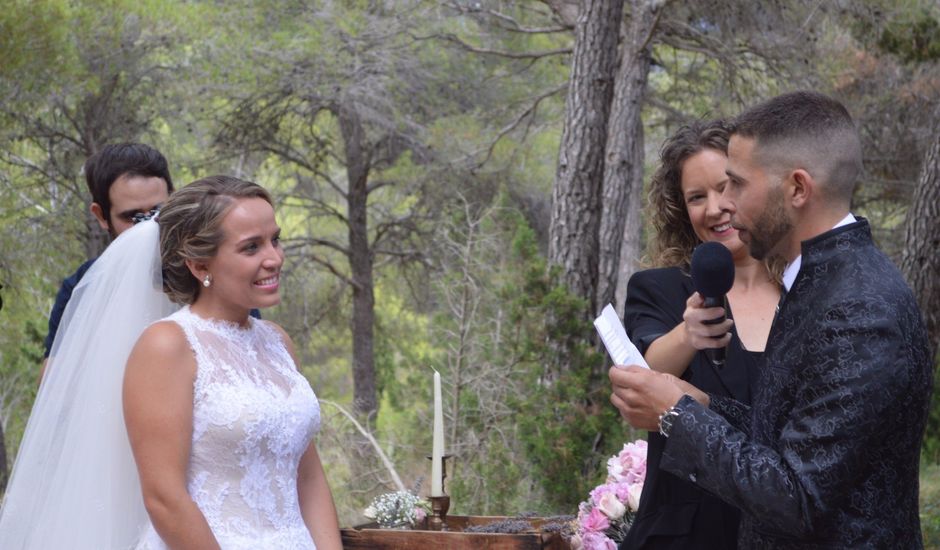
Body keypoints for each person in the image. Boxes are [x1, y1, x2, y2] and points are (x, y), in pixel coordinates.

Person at [609, 91, 932, 548]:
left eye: (737, 184)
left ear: (797, 189)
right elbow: (792, 438)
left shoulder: (858, 307)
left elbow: (796, 496)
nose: (727, 206)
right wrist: (702, 403)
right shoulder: (822, 281)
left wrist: (674, 415)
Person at [0, 176, 342, 549]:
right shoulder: (168, 345)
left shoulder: (278, 342)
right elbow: (164, 498)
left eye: (275, 239)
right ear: (199, 265)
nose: (274, 258)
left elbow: (307, 477)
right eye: (251, 247)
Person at [619, 120, 781, 550]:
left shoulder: (803, 290)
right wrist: (686, 335)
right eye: (696, 197)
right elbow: (643, 374)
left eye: (727, 187)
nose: (715, 208)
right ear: (680, 210)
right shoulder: (660, 288)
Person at [42, 143, 173, 365]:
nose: (149, 227)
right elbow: (52, 380)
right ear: (101, 216)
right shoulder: (82, 286)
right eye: (132, 217)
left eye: (158, 212)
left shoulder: (209, 272)